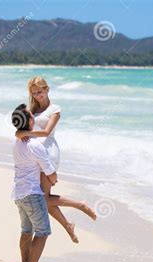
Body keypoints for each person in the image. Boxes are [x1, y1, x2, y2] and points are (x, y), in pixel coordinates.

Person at [15, 76, 96, 244]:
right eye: (34, 93)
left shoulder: (55, 109)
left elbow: (46, 132)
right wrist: (18, 132)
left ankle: (79, 205)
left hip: (48, 153)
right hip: (34, 155)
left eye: (40, 92)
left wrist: (25, 134)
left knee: (43, 199)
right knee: (43, 198)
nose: (38, 96)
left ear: (47, 89)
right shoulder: (31, 109)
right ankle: (68, 225)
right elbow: (22, 126)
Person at [11, 104, 56, 262]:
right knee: (42, 231)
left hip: (18, 193)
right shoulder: (34, 145)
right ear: (29, 121)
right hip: (32, 193)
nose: (34, 117)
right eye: (32, 116)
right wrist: (54, 179)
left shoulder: (16, 142)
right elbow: (49, 170)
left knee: (26, 230)